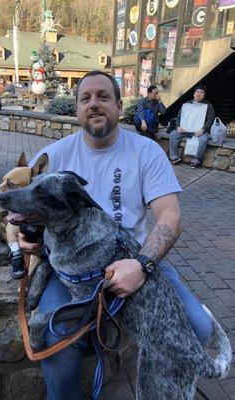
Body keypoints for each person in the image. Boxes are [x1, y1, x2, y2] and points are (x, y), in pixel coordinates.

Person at [20, 71, 213, 400]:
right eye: (85, 99)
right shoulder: (53, 157)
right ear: (77, 109)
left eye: (103, 97)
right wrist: (22, 238)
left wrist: (142, 264)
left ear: (119, 106)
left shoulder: (146, 152)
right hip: (69, 269)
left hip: (133, 258)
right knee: (57, 340)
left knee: (199, 326)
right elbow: (20, 208)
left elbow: (170, 215)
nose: (93, 104)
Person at [169, 85, 215, 169]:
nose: (199, 94)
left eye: (202, 92)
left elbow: (210, 120)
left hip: (200, 131)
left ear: (204, 95)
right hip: (185, 130)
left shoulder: (209, 106)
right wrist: (178, 126)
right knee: (173, 134)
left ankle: (196, 160)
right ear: (194, 94)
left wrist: (203, 130)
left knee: (203, 140)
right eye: (197, 92)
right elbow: (179, 117)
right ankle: (174, 157)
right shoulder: (186, 104)